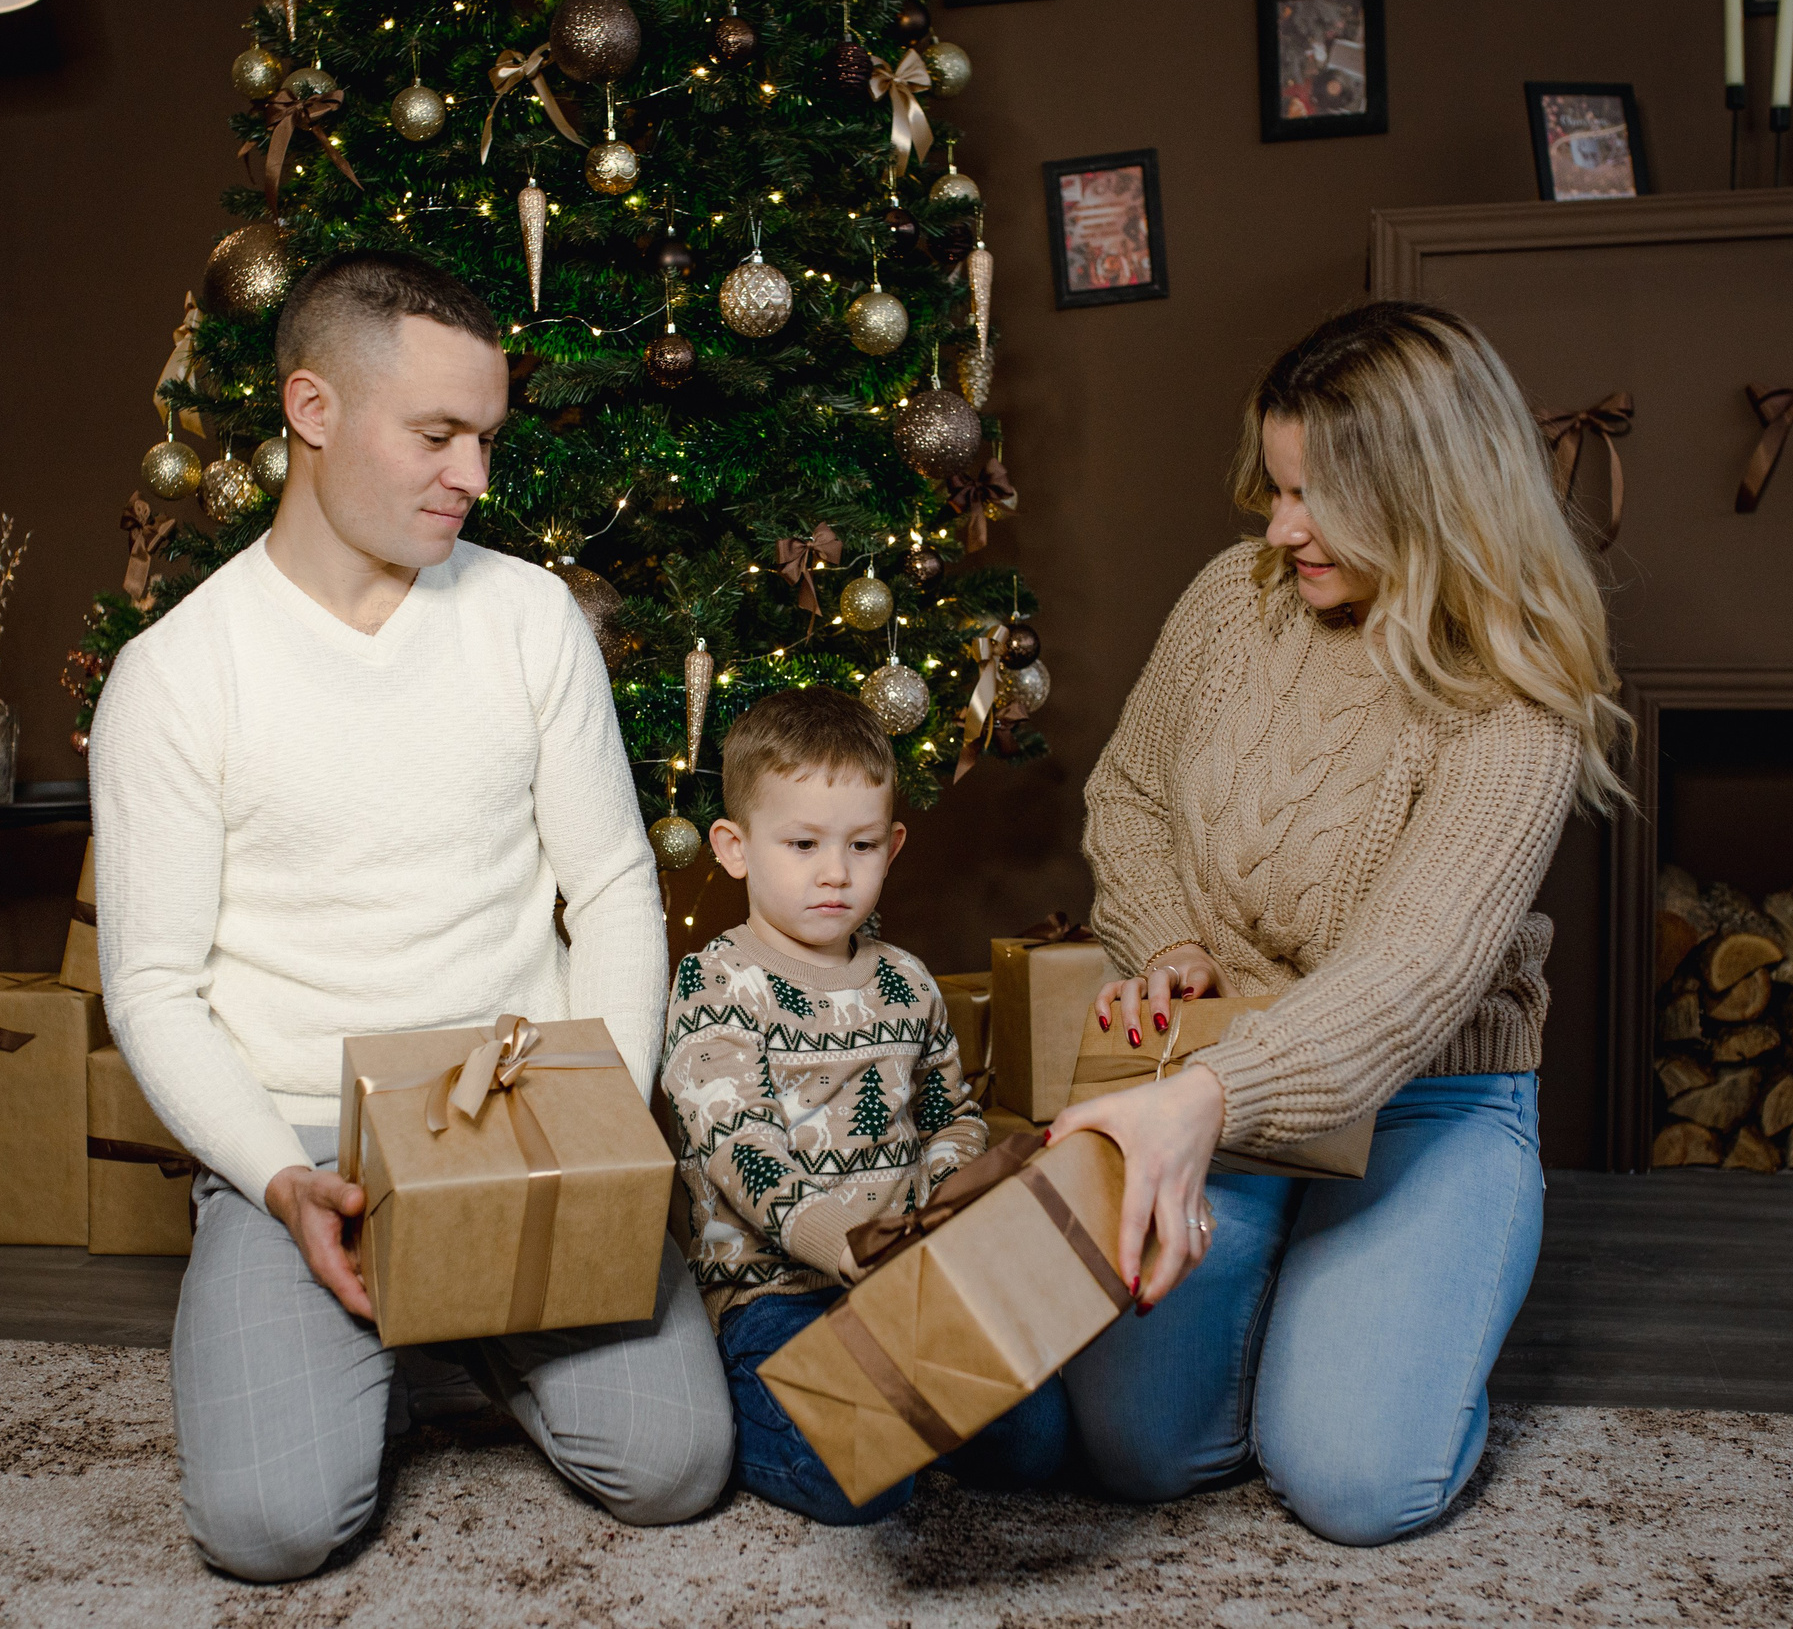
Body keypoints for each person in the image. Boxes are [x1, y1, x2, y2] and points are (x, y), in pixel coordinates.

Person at [88, 251, 732, 1581]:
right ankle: (383, 1328)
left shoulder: (528, 617)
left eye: (485, 439)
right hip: (309, 1144)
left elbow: (611, 881)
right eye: (435, 435)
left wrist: (594, 1118)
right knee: (270, 1530)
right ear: (313, 410)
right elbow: (150, 984)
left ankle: (456, 1326)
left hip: (521, 1113)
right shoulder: (176, 675)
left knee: (673, 1468)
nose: (472, 477)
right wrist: (275, 1173)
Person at [1049, 299, 1630, 1546]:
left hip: (1424, 1099)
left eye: (1314, 497)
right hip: (1214, 1069)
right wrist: (1167, 945)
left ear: (1430, 497)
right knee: (1139, 1454)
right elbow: (1130, 794)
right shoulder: (1233, 597)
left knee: (1357, 1484)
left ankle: (1394, 1309)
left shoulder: (1516, 699)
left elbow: (1414, 975)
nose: (1280, 527)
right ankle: (1302, 1325)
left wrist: (1203, 1100)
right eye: (1275, 486)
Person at [663, 686, 1067, 1524]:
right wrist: (830, 1237)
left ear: (895, 843)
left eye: (862, 844)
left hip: (902, 1281)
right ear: (736, 848)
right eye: (803, 843)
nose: (835, 872)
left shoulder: (905, 981)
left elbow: (954, 1113)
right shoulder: (716, 982)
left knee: (1035, 1448)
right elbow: (734, 1138)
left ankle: (905, 1405)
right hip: (774, 1296)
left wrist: (944, 1198)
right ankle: (756, 1412)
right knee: (869, 1478)